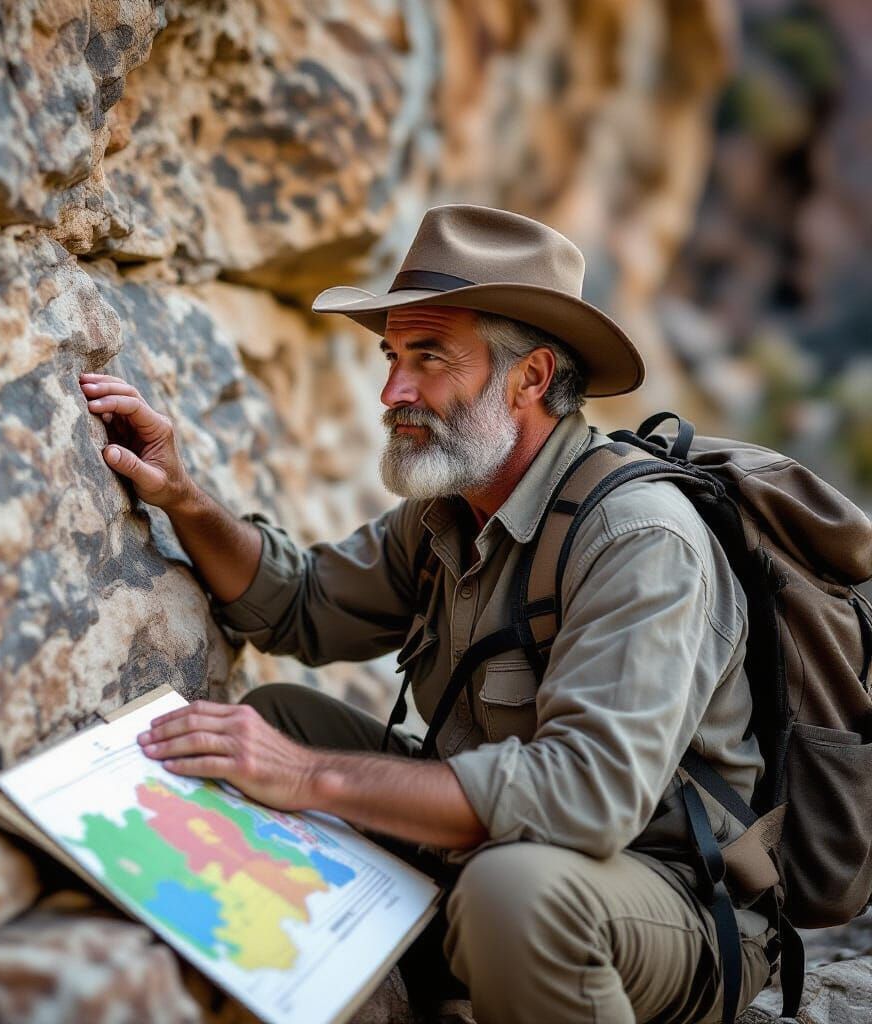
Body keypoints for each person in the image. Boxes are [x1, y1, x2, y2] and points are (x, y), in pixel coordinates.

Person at [80, 205, 777, 1024]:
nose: (392, 391)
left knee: (512, 891)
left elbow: (590, 797)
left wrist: (308, 778)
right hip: (486, 857)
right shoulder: (453, 503)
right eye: (391, 355)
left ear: (532, 378)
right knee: (267, 723)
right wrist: (182, 497)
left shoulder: (640, 537)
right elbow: (301, 607)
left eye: (429, 357)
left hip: (660, 905)